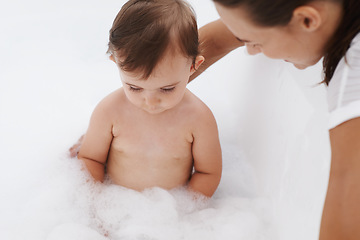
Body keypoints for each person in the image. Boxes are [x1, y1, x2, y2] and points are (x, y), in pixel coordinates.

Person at [195, 0, 359, 239]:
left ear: (308, 20)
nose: (250, 51)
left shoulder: (353, 79)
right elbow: (222, 36)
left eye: (256, 42)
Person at [76, 0, 222, 198]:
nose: (150, 102)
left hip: (170, 208)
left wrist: (185, 214)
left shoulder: (199, 119)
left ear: (193, 66)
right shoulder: (109, 111)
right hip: (116, 202)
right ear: (116, 63)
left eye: (167, 89)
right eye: (134, 87)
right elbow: (91, 159)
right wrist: (96, 204)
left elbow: (208, 173)